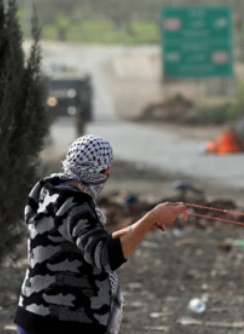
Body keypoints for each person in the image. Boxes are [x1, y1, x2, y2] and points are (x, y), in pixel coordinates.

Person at [14, 135, 185, 334]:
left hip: (39, 315)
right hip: (58, 321)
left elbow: (93, 241)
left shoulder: (54, 190)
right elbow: (105, 257)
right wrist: (149, 218)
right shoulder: (73, 203)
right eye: (106, 169)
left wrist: (143, 226)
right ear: (102, 171)